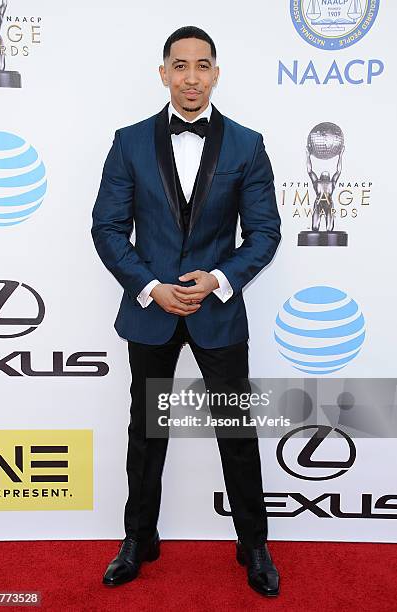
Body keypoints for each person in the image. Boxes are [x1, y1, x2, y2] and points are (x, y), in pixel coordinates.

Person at [91, 25, 281, 597]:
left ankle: (253, 545)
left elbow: (265, 233)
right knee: (146, 430)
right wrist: (152, 286)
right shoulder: (128, 142)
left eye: (202, 66)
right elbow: (106, 228)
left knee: (235, 428)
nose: (191, 77)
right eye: (180, 65)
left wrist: (218, 278)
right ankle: (137, 539)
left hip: (217, 311)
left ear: (216, 73)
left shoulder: (247, 144)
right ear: (164, 72)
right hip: (151, 310)